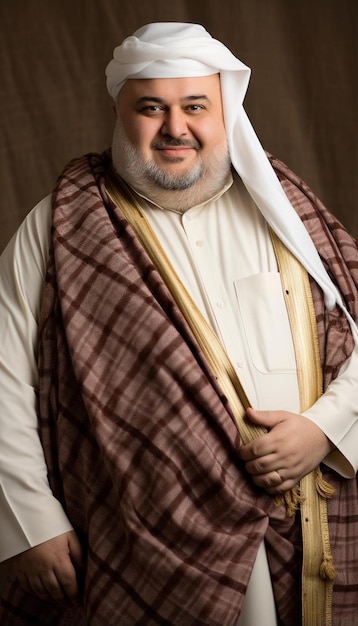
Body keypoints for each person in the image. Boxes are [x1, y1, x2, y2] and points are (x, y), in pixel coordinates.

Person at [0, 21, 357, 626]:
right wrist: (27, 521)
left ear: (225, 113)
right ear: (120, 112)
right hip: (141, 531)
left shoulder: (286, 208)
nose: (175, 128)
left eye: (196, 106)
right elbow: (5, 374)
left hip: (308, 510)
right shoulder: (60, 222)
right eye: (151, 108)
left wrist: (324, 429)